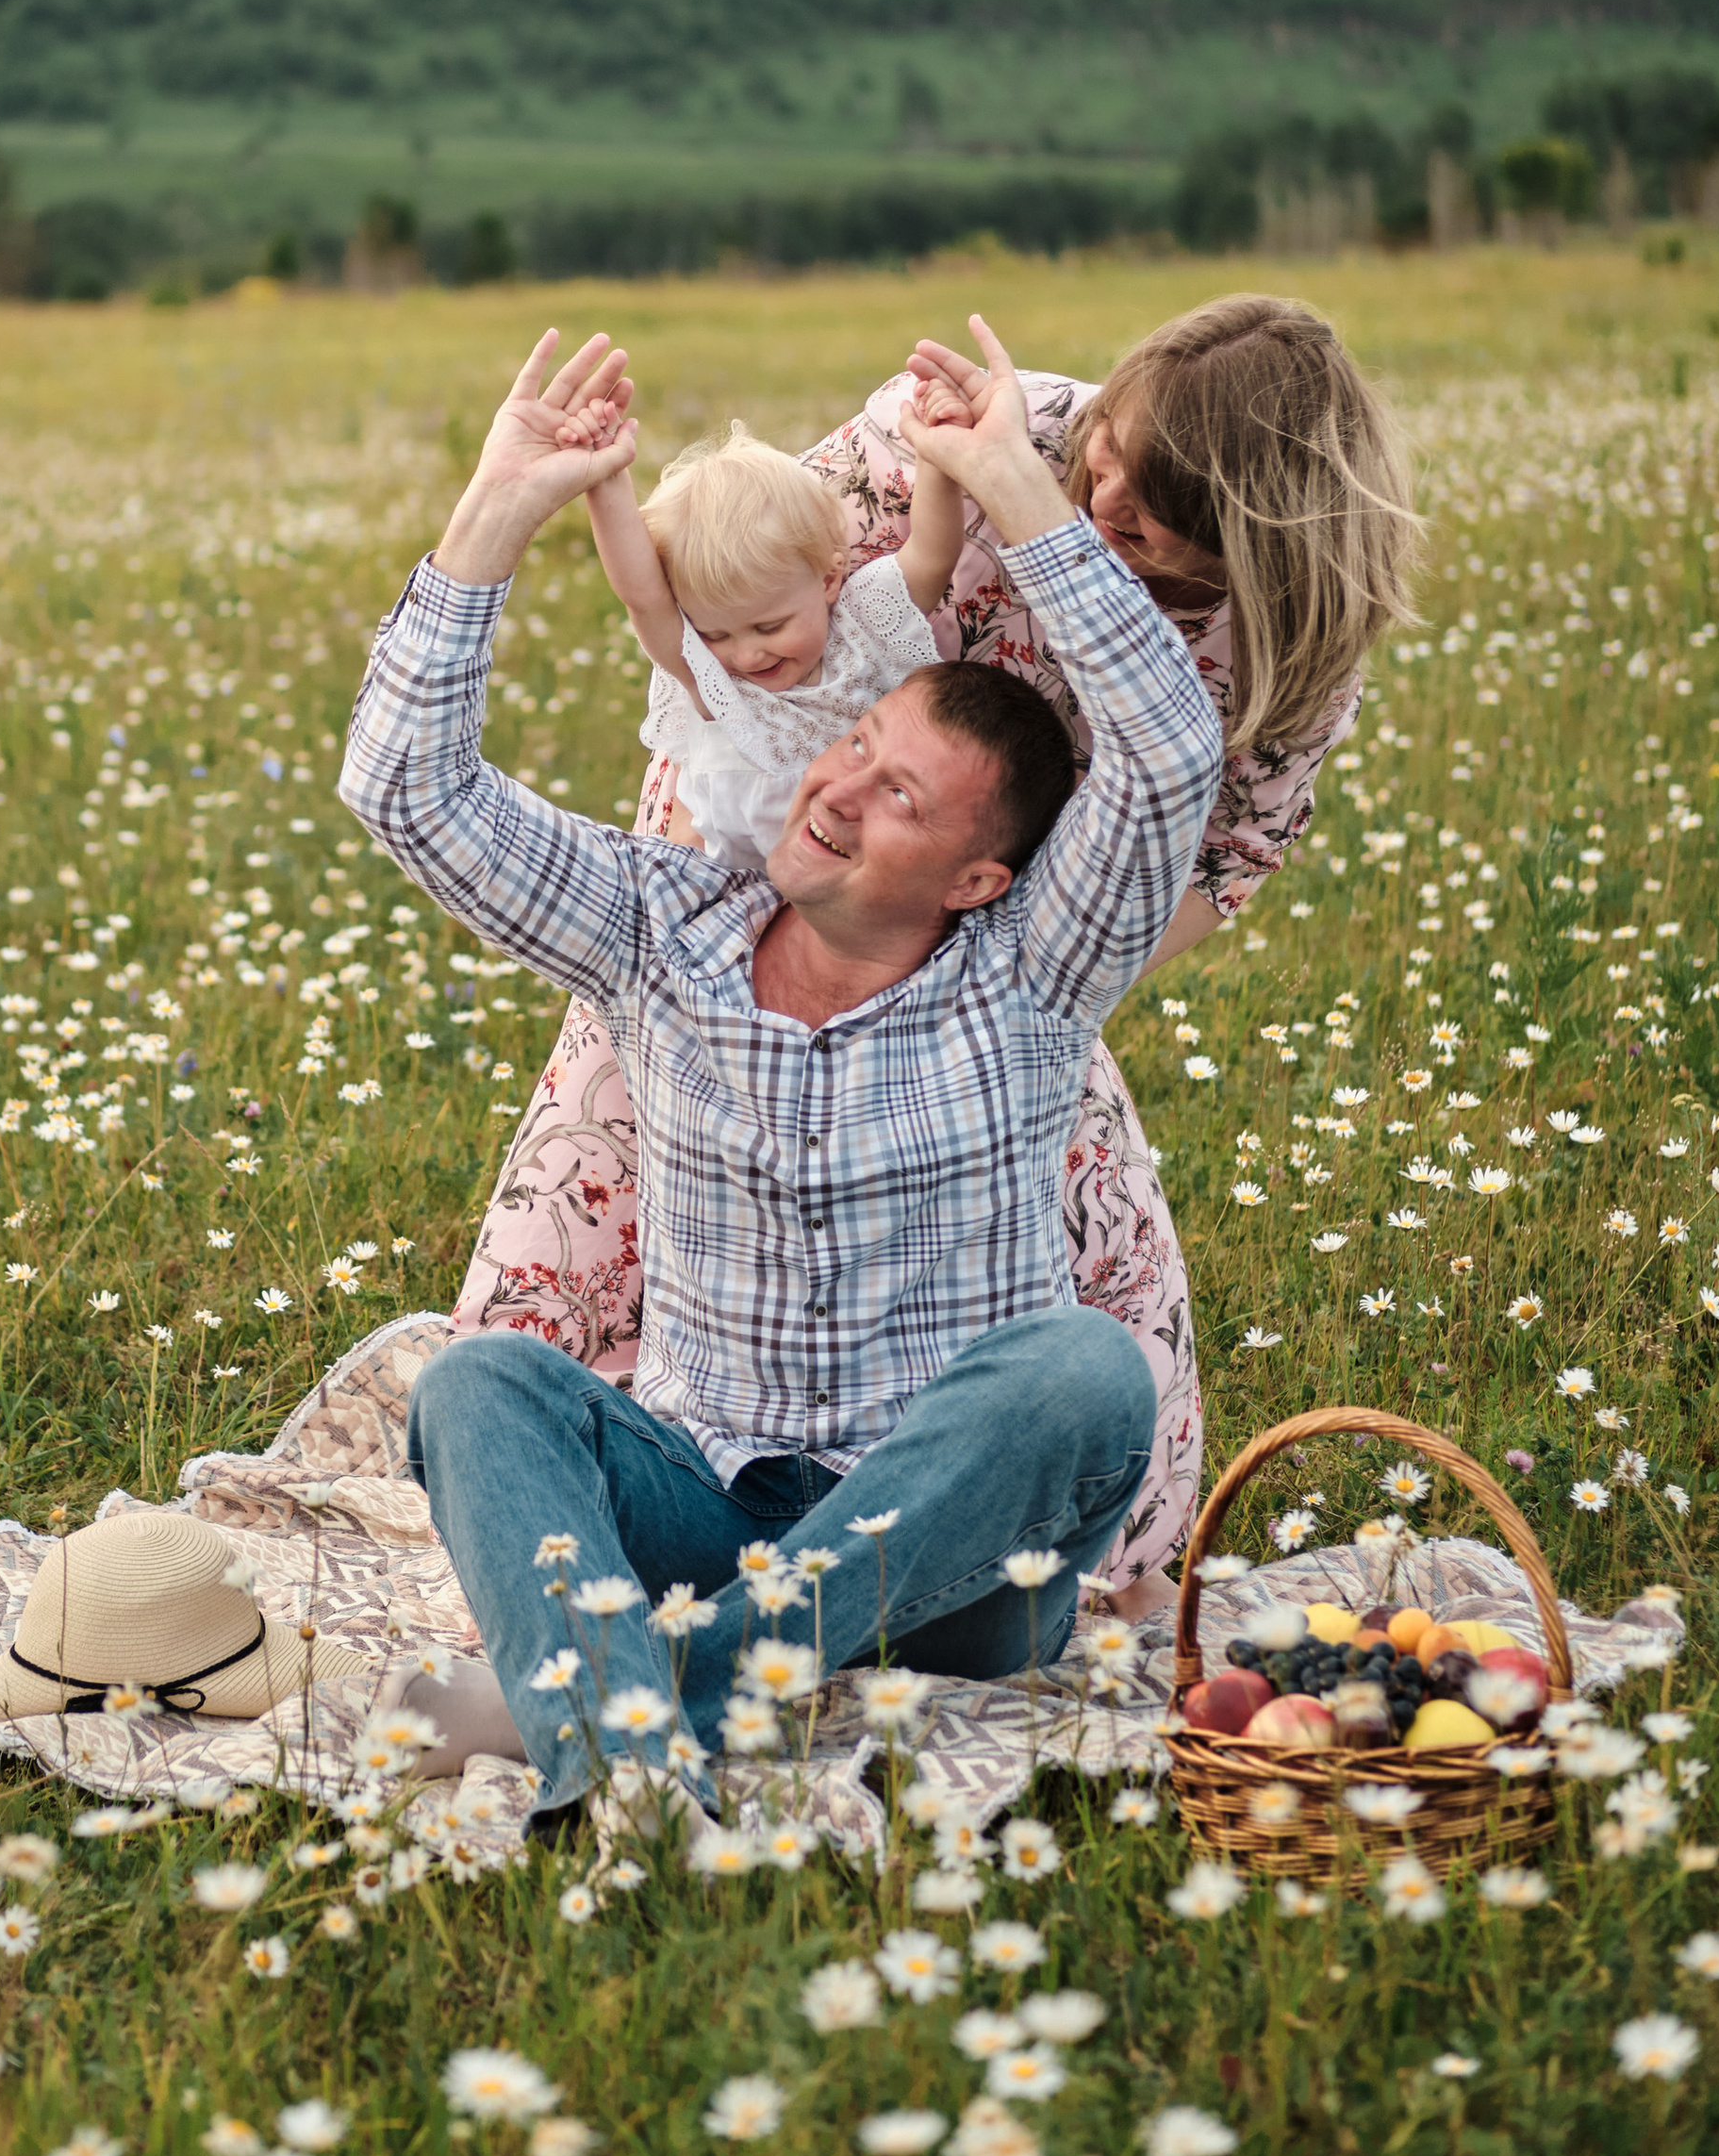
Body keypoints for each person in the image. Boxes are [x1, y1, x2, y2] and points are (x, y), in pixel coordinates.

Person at [339, 318, 1225, 1829]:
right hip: (707, 1511)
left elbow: (1171, 757)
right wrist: (498, 507)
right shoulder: (661, 928)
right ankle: (647, 1773)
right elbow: (405, 791)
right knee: (475, 1382)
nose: (836, 787)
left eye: (900, 798)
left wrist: (1015, 486)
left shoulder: (1031, 975)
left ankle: (635, 1703)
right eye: (853, 744)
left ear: (980, 878)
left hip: (958, 1571)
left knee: (1083, 1372)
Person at [449, 293, 1418, 1610]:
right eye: (1106, 454)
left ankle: (948, 1573)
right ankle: (619, 1530)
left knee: (1040, 1274)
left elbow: (1228, 853)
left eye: (1150, 511)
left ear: (1251, 536)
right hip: (772, 858)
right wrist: (735, 941)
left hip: (1016, 941)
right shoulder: (974, 431)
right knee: (623, 1201)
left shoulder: (1288, 640)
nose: (1104, 493)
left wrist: (1022, 986)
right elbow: (732, 616)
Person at [584, 410, 964, 871]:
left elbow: (933, 555)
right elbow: (642, 596)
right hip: (730, 895)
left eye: (770, 627)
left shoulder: (863, 629)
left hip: (856, 890)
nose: (747, 655)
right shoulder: (713, 683)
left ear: (828, 579)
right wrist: (604, 478)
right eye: (715, 633)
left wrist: (938, 455)